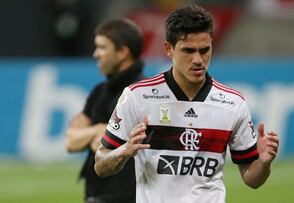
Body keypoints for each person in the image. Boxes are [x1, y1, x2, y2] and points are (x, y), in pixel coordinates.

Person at [94, 5, 279, 203]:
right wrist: (124, 151)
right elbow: (100, 164)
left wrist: (264, 163)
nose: (198, 59)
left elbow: (252, 178)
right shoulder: (137, 96)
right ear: (169, 49)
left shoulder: (233, 103)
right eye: (188, 51)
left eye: (204, 50)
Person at [65, 18, 145, 203]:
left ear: (122, 52)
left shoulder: (141, 93)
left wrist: (97, 135)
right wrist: (97, 130)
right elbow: (71, 141)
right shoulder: (99, 91)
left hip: (127, 195)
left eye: (102, 47)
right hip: (95, 193)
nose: (95, 54)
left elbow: (111, 143)